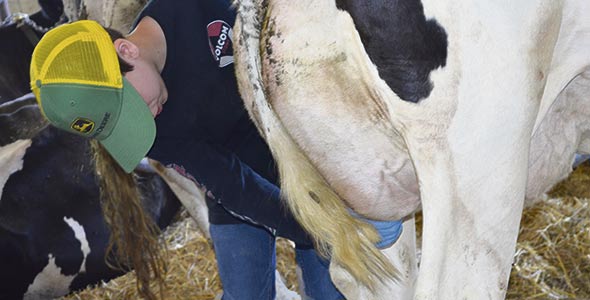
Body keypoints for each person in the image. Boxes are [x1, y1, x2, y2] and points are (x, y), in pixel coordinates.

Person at [29, 1, 347, 299]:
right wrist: (312, 227)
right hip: (238, 187)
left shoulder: (193, 7)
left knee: (334, 285)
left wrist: (328, 223)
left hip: (299, 159)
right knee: (245, 292)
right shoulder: (149, 130)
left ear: (126, 51)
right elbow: (231, 183)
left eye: (131, 109)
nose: (145, 120)